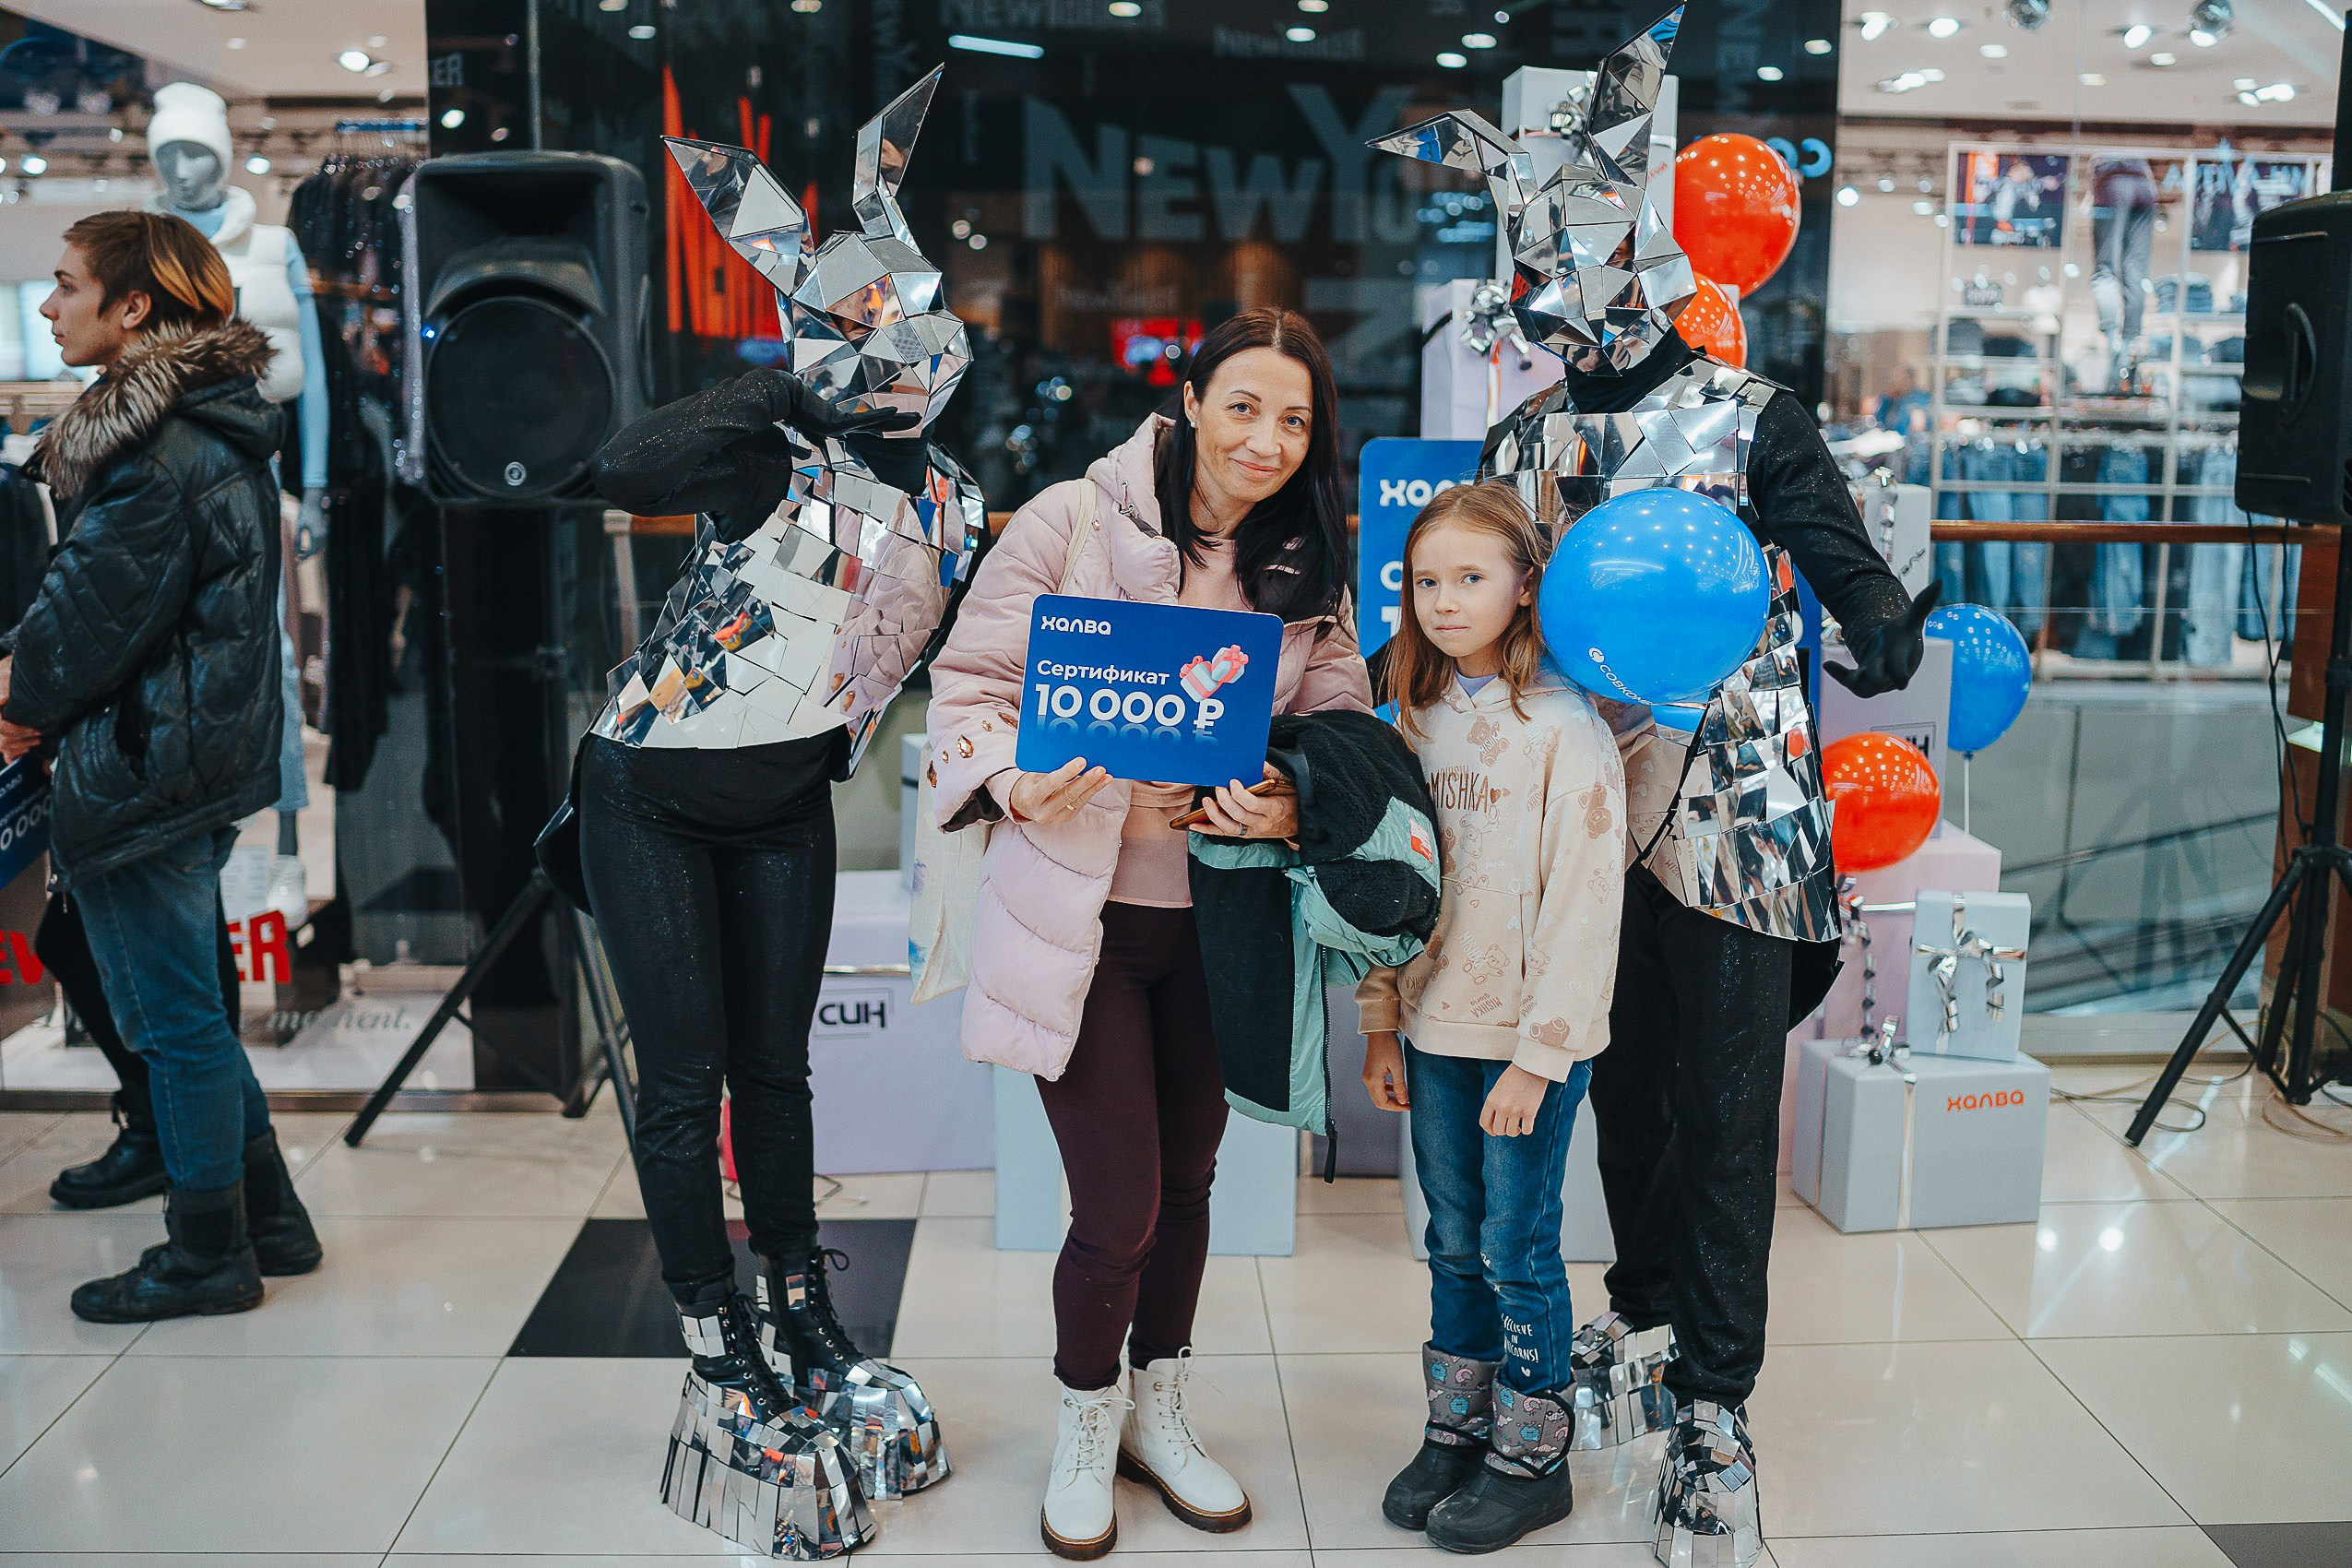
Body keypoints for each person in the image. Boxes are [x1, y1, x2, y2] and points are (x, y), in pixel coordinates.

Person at [1374, 13, 1931, 1565]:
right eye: (1529, 249)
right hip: (1580, 822)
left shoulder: (1752, 417)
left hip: (1739, 816)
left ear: (1645, 249)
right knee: (1616, 1101)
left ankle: (1719, 1404)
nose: (1557, 278)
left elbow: (1840, 559)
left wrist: (1884, 623)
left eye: (1582, 242)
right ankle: (1645, 1319)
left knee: (1728, 1109)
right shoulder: (1525, 433)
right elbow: (1471, 609)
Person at [578, 79, 961, 1559]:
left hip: (790, 805)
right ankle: (710, 1330)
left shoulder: (961, 503)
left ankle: (804, 1307)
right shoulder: (766, 457)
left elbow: (974, 649)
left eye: (912, 325)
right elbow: (614, 472)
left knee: (776, 1072)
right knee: (685, 1088)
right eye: (862, 330)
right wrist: (774, 387)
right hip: (653, 798)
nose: (901, 355)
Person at [926, 306, 1372, 1561]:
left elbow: (1341, 734)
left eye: (1294, 419)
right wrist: (1015, 776)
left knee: (1188, 1188)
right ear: (1187, 398)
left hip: (1220, 926)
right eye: (1243, 406)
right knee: (1113, 1207)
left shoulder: (1305, 570)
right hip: (1085, 923)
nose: (1265, 439)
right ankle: (1085, 1415)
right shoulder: (1074, 518)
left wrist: (1283, 792)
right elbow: (967, 686)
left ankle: (1156, 1410)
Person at [9, 209, 318, 1321]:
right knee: (186, 1007)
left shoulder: (154, 449)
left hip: (144, 761)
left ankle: (207, 1254)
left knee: (171, 1020)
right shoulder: (204, 425)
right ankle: (271, 1217)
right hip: (190, 749)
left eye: (66, 285)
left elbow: (83, 622)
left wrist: (20, 701)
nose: (49, 305)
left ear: (133, 305)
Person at [1356, 481, 1625, 1554]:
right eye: (1427, 580)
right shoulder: (1413, 718)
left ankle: (1531, 1452)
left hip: (1527, 1047)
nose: (1445, 600)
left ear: (1525, 586)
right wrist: (1383, 1021)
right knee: (1452, 1241)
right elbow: (1389, 886)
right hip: (1432, 1034)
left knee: (1520, 1245)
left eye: (1471, 577)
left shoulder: (1566, 727)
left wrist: (1541, 1056)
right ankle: (1456, 1426)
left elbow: (1585, 901)